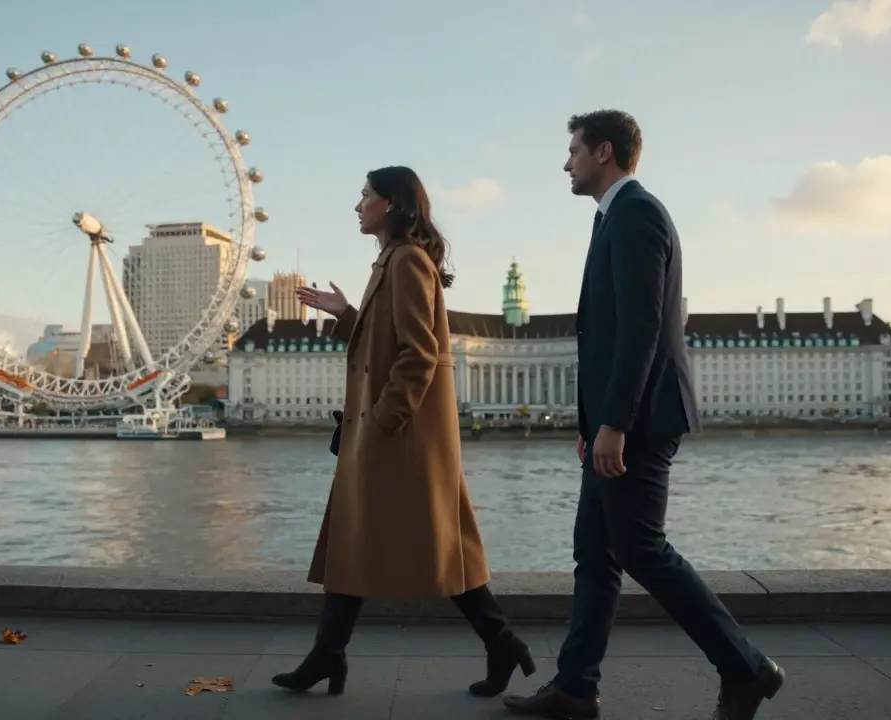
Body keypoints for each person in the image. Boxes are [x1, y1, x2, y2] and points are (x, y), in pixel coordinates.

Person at [502, 111, 785, 720]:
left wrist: (616, 423)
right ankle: (576, 687)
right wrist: (591, 424)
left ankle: (747, 667)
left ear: (604, 152)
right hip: (616, 421)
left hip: (641, 422)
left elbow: (641, 329)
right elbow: (607, 336)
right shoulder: (614, 218)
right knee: (596, 554)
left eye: (573, 150)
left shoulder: (636, 214)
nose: (566, 162)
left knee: (642, 551)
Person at [277, 165, 536, 698]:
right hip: (386, 435)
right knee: (364, 541)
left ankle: (499, 641)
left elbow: (418, 357)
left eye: (365, 196)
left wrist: (379, 424)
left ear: (392, 204)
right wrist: (346, 315)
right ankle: (331, 655)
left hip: (398, 440)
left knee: (426, 544)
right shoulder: (391, 262)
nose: (357, 205)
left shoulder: (409, 263)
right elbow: (388, 341)